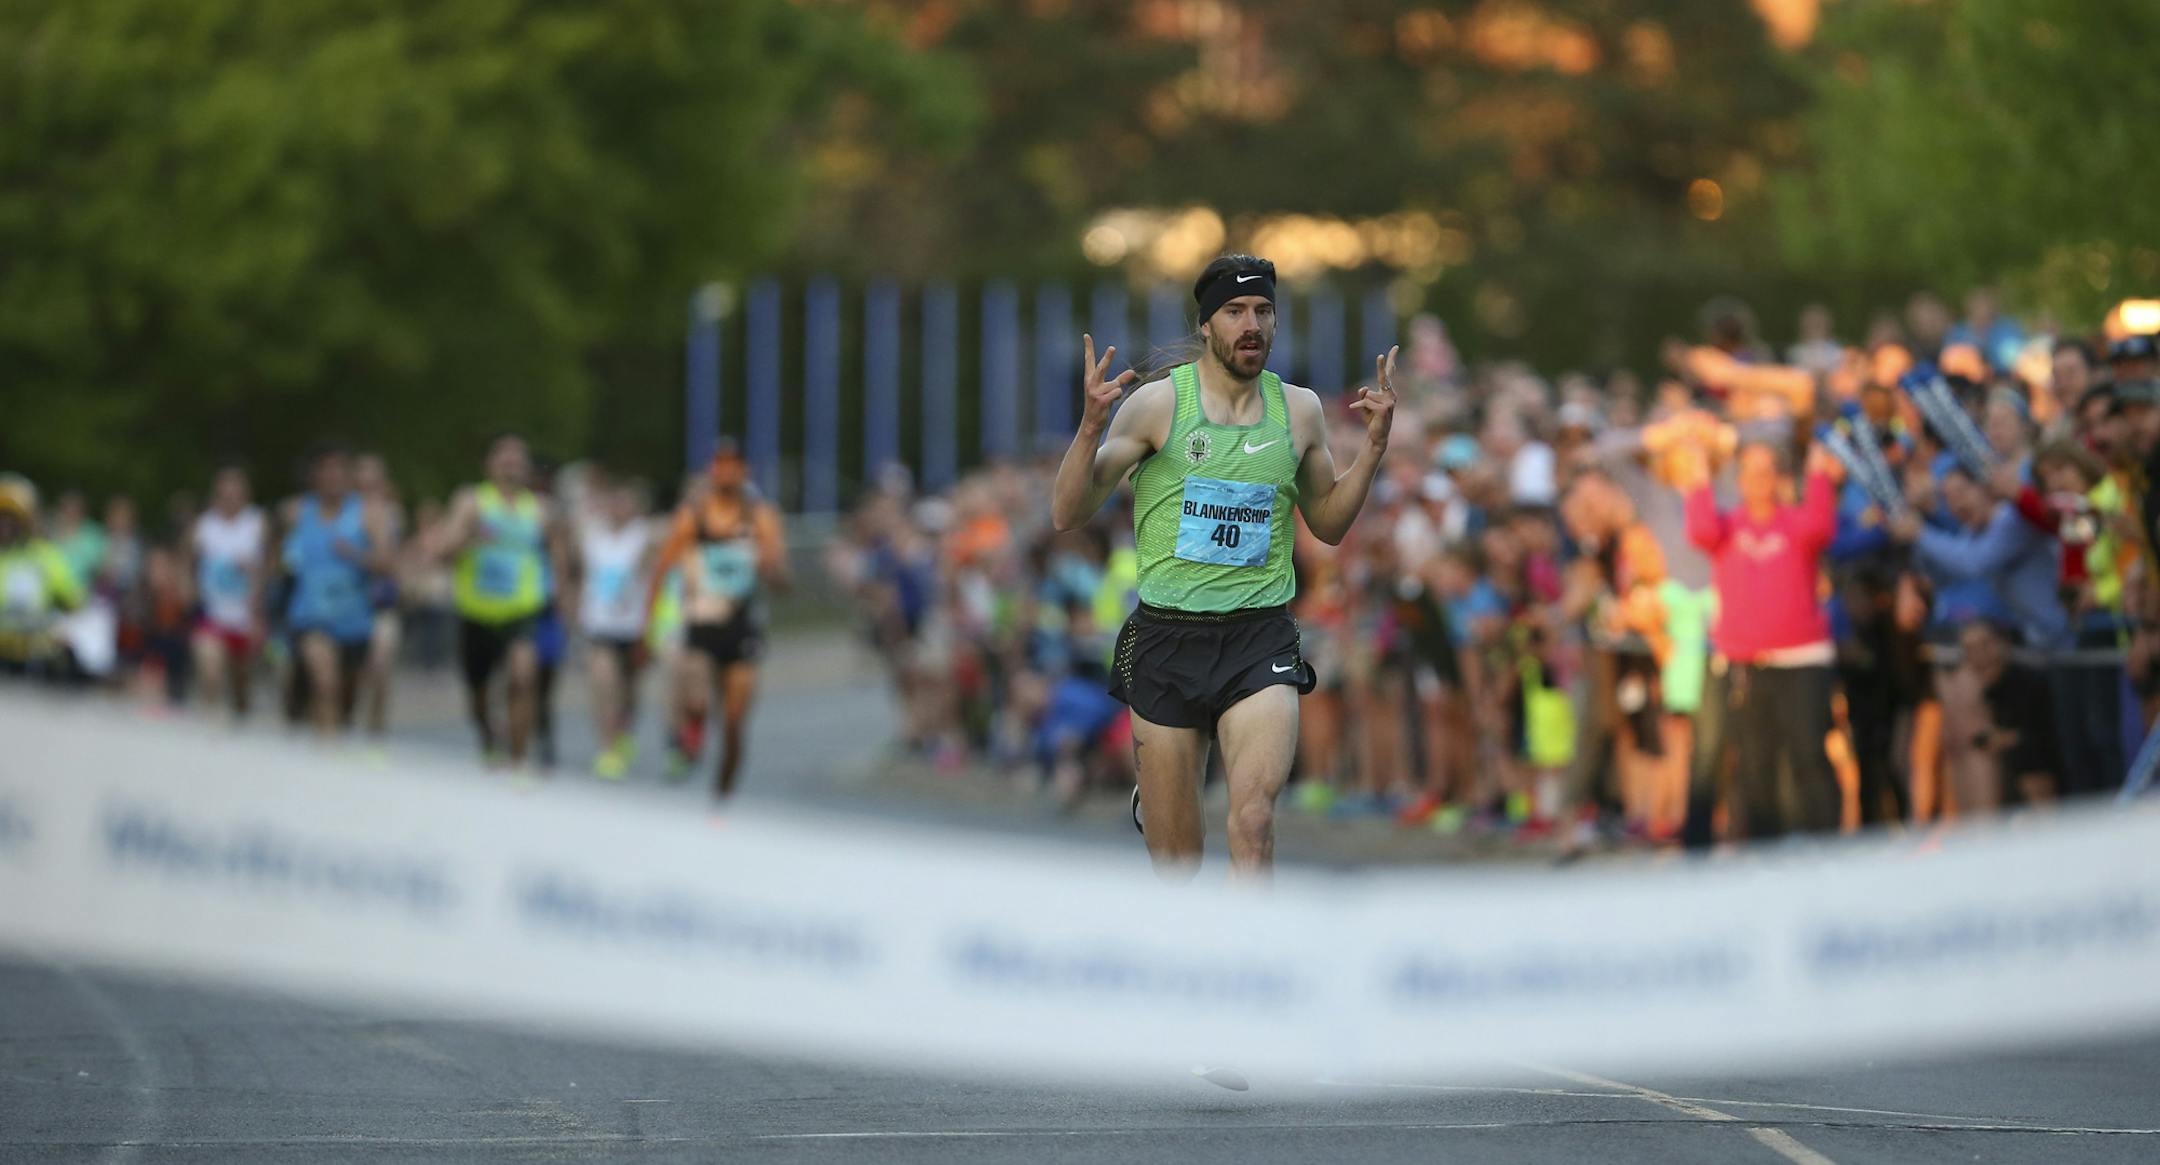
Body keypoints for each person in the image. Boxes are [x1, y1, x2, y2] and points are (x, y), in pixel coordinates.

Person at [1050, 253, 1397, 879]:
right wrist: (1090, 427)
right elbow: (1067, 513)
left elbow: (1327, 523)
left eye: (1263, 311)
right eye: (1235, 311)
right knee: (1178, 865)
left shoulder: (1299, 410)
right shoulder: (1157, 405)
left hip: (1258, 637)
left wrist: (1371, 451)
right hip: (1167, 640)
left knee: (1254, 822)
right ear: (1206, 325)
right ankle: (1160, 801)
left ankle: (1254, 940)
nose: (1252, 325)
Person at [1678, 438, 1843, 841]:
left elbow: (1821, 527)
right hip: (1746, 664)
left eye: (1766, 472)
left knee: (1808, 754)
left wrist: (1818, 474)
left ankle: (1830, 845)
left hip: (1802, 660)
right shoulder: (1729, 527)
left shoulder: (1795, 523)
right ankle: (1764, 849)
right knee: (1755, 764)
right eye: (1750, 473)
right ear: (1739, 480)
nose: (1759, 481)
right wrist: (1698, 477)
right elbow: (1700, 529)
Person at [648, 441, 788, 797]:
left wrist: (769, 567)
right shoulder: (692, 519)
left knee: (734, 720)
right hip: (701, 622)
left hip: (741, 625)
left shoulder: (759, 518)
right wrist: (647, 624)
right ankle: (688, 738)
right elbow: (662, 568)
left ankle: (725, 781)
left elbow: (781, 580)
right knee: (696, 698)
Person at [434, 434, 572, 769]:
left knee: (522, 678)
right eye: (504, 459)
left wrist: (563, 596)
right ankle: (487, 735)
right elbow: (443, 553)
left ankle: (518, 759)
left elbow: (559, 558)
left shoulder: (541, 509)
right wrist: (470, 536)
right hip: (477, 610)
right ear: (489, 465)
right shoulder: (471, 502)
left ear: (526, 469)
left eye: (517, 461)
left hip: (522, 608)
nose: (511, 466)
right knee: (478, 693)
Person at [279, 445, 395, 737]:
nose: (333, 476)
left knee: (345, 698)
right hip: (309, 617)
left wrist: (355, 555)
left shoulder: (369, 513)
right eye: (326, 469)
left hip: (354, 621)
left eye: (340, 469)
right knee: (325, 684)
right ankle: (325, 751)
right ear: (314, 475)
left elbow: (388, 565)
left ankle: (336, 735)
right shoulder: (294, 512)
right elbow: (273, 557)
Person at [577, 478, 656, 779]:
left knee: (629, 691)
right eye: (615, 501)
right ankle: (607, 748)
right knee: (604, 684)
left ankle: (624, 730)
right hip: (599, 625)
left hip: (633, 628)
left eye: (626, 502)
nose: (618, 507)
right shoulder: (593, 535)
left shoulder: (643, 535)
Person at [189, 466, 266, 719]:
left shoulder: (257, 523)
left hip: (245, 615)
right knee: (210, 673)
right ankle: (208, 723)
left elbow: (266, 571)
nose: (230, 498)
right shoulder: (204, 525)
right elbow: (190, 563)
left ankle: (239, 717)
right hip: (212, 613)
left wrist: (258, 614)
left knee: (240, 683)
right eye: (225, 493)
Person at [0, 476, 85, 676]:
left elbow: (74, 600)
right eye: (1, 517)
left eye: (11, 519)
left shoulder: (44, 555)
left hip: (34, 658)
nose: (4, 525)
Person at [353, 452, 405, 744]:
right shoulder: (344, 515)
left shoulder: (393, 514)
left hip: (382, 605)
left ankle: (376, 733)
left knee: (381, 667)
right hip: (348, 604)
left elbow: (394, 559)